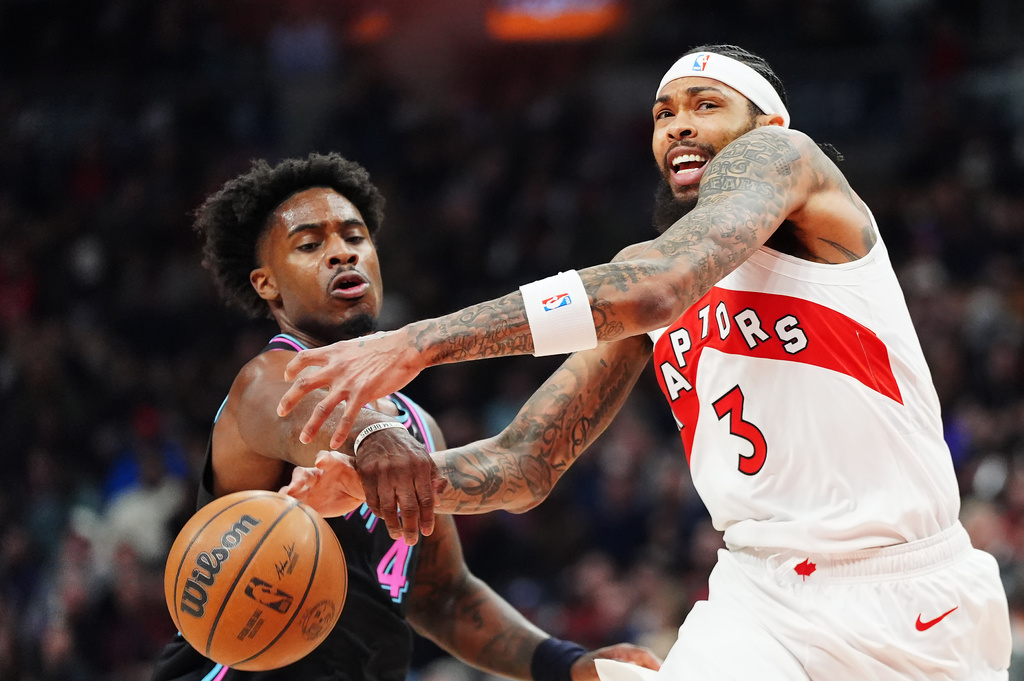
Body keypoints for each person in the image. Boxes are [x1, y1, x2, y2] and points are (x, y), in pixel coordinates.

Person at [278, 46, 1013, 680]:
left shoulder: (787, 159)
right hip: (759, 594)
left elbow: (660, 286)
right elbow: (526, 461)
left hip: (904, 589)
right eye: (664, 113)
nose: (678, 125)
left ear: (768, 124)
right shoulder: (640, 278)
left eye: (705, 104)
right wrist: (385, 484)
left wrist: (419, 342)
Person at [149, 152, 660, 681]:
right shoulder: (264, 383)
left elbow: (442, 596)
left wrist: (565, 663)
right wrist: (374, 434)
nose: (341, 253)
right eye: (310, 244)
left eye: (355, 236)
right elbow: (306, 409)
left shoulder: (418, 427)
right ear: (266, 284)